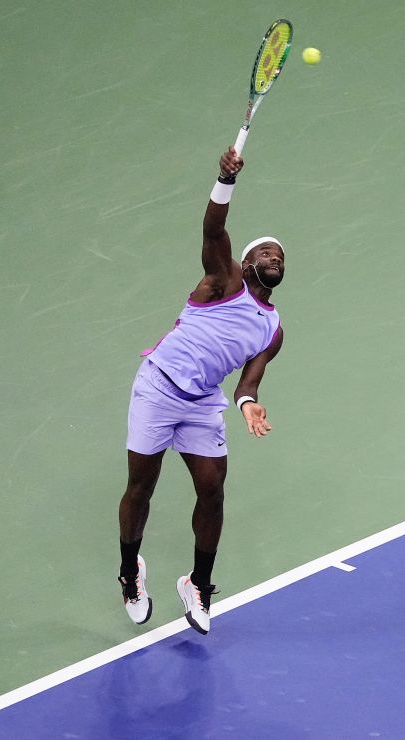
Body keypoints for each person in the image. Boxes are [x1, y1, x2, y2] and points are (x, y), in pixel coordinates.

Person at [116, 146, 285, 634]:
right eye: (263, 251)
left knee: (212, 490)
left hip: (202, 403)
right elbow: (214, 230)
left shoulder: (272, 329)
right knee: (140, 487)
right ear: (246, 263)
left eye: (279, 254)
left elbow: (247, 382)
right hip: (158, 386)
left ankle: (198, 584)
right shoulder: (223, 280)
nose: (273, 256)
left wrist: (249, 406)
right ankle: (130, 572)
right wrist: (224, 181)